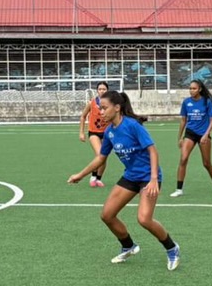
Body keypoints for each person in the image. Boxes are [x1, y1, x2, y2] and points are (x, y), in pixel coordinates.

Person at [67, 90, 181, 270]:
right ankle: (128, 245)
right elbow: (101, 158)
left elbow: (152, 150)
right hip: (131, 176)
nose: (101, 112)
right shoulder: (109, 132)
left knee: (144, 219)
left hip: (148, 177)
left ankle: (172, 248)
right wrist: (80, 175)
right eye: (100, 109)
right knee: (107, 215)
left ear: (117, 108)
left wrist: (153, 179)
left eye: (104, 108)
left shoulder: (132, 125)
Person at [169, 80, 212, 197]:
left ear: (200, 89)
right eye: (190, 88)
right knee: (183, 159)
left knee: (206, 163)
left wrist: (206, 134)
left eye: (194, 88)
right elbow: (183, 120)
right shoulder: (186, 102)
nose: (191, 90)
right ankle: (179, 189)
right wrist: (180, 137)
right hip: (190, 133)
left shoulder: (207, 102)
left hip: (203, 134)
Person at [78, 81, 110, 188]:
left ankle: (98, 179)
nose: (102, 91)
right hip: (94, 133)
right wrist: (81, 132)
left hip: (106, 134)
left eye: (104, 89)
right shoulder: (91, 103)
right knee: (100, 154)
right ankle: (93, 176)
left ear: (107, 90)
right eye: (100, 89)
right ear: (97, 90)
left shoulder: (111, 104)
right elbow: (83, 116)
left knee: (104, 157)